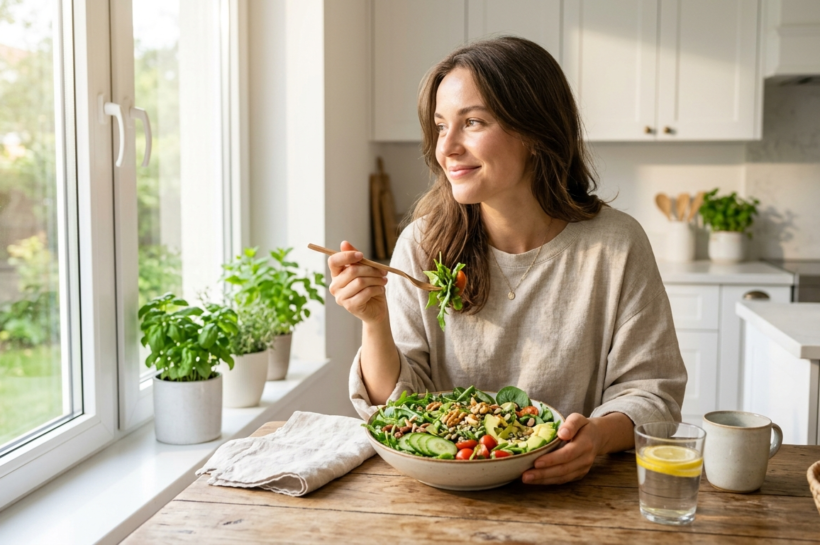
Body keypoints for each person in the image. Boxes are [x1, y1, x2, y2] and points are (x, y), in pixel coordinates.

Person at [327, 37, 686, 485]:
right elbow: (396, 408)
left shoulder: (615, 245)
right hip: (443, 497)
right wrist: (373, 321)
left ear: (535, 133)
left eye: (472, 122)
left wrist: (595, 438)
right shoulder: (421, 244)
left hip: (573, 494)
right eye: (441, 126)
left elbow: (653, 390)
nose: (447, 148)